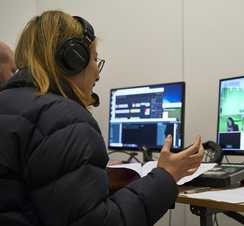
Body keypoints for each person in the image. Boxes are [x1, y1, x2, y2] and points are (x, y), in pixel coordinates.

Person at [0, 11, 204, 226]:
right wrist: (165, 176)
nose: (97, 74)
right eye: (95, 59)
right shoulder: (64, 118)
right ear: (74, 60)